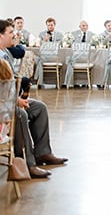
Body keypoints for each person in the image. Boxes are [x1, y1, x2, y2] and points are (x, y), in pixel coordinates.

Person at [0, 19, 68, 178]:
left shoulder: (6, 52)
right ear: (1, 36)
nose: (14, 35)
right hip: (4, 104)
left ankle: (43, 153)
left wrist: (17, 99)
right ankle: (28, 164)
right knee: (21, 114)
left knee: (39, 107)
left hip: (9, 101)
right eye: (10, 33)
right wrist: (16, 102)